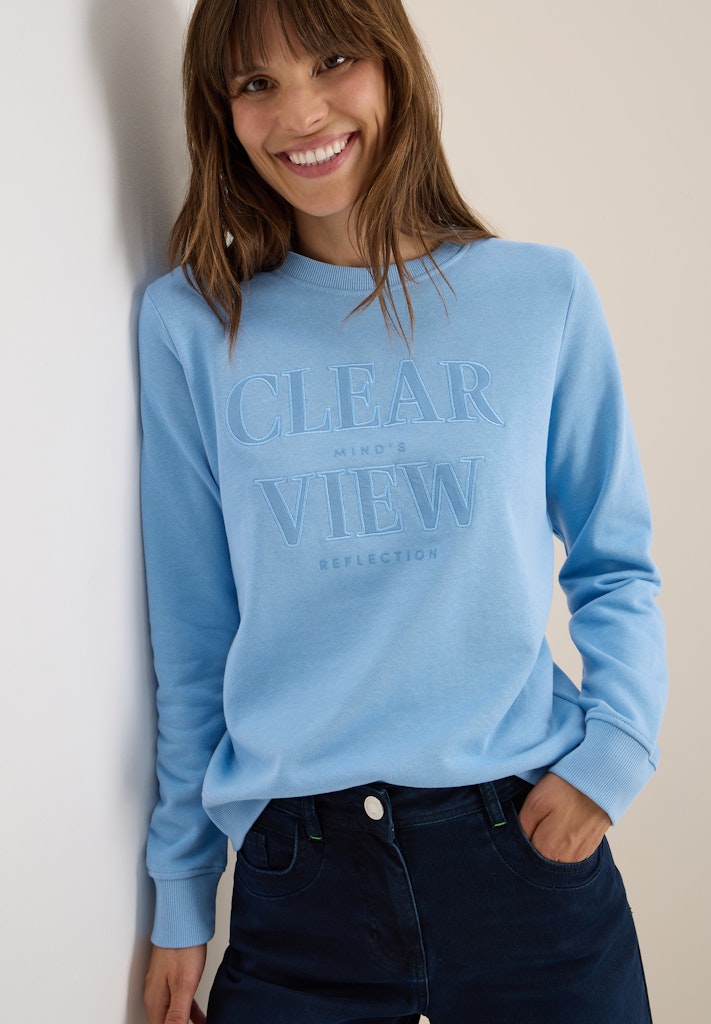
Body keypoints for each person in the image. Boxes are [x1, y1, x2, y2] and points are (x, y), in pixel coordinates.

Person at [139, 1, 667, 1022]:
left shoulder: (539, 295)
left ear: (393, 69)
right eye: (257, 83)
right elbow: (194, 634)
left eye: (332, 60)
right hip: (300, 885)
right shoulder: (192, 325)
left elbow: (614, 558)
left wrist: (614, 759)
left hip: (524, 856)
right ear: (221, 113)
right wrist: (181, 889)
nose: (301, 112)